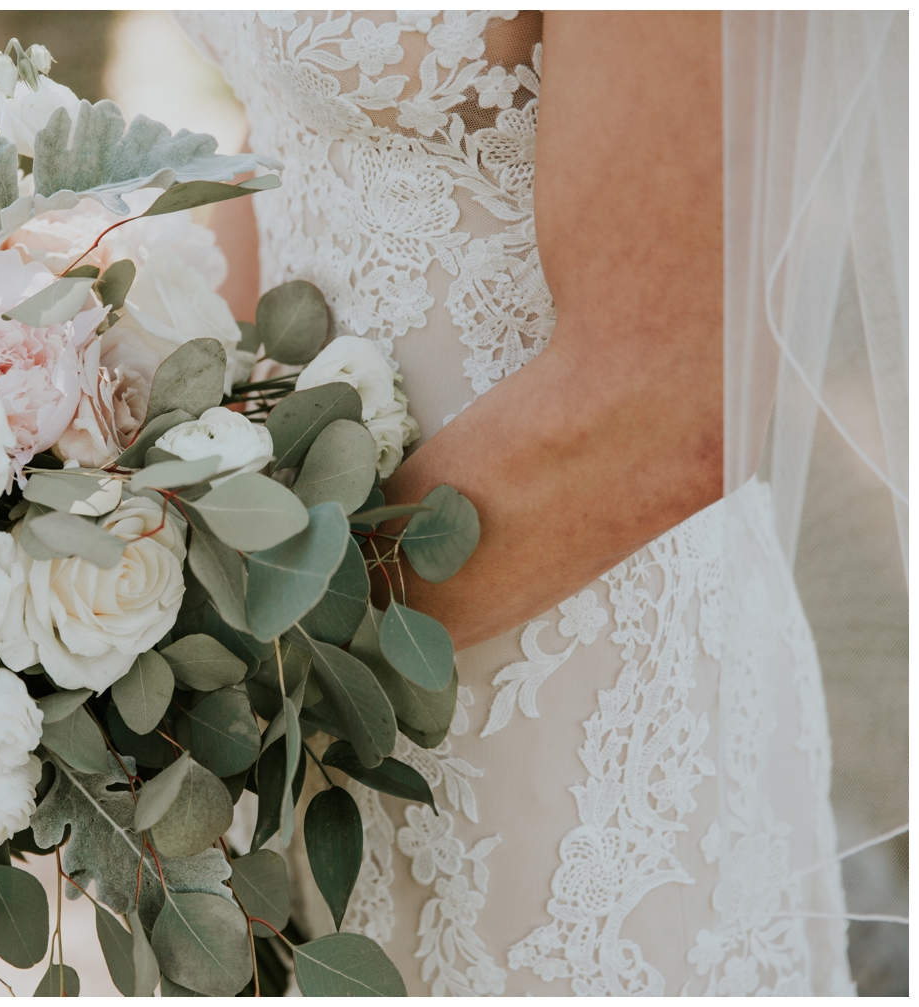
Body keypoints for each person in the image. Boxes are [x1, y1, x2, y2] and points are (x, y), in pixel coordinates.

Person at [183, 11, 905, 995]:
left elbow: (673, 387)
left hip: (565, 695)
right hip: (290, 664)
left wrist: (244, 634)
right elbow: (298, 129)